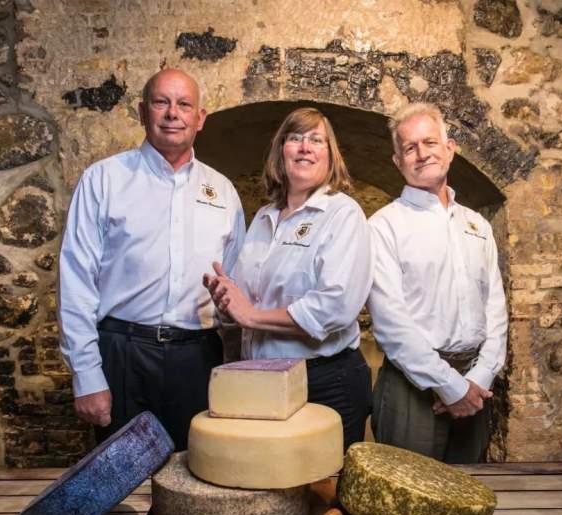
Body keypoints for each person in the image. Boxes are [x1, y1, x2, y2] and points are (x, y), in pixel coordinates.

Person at [59, 69, 245, 451]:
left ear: (200, 118)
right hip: (122, 355)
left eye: (184, 104)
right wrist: (86, 376)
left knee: (197, 474)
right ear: (143, 112)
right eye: (162, 102)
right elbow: (76, 280)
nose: (173, 113)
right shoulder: (103, 180)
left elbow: (237, 285)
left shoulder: (224, 192)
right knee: (120, 476)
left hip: (198, 359)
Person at [203, 107, 372, 450]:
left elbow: (335, 307)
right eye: (295, 138)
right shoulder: (264, 217)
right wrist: (227, 304)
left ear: (331, 155)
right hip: (262, 378)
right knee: (268, 475)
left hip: (324, 380)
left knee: (325, 481)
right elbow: (246, 300)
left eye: (316, 140)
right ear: (281, 151)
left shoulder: (343, 214)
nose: (305, 147)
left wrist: (251, 316)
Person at [366, 102, 508, 463]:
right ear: (398, 161)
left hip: (475, 383)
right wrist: (450, 387)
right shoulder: (383, 226)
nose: (422, 153)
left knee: (468, 488)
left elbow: (495, 307)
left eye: (430, 142)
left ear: (450, 148)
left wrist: (480, 377)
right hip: (412, 387)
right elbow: (391, 323)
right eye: (410, 147)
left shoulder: (477, 225)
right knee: (405, 491)